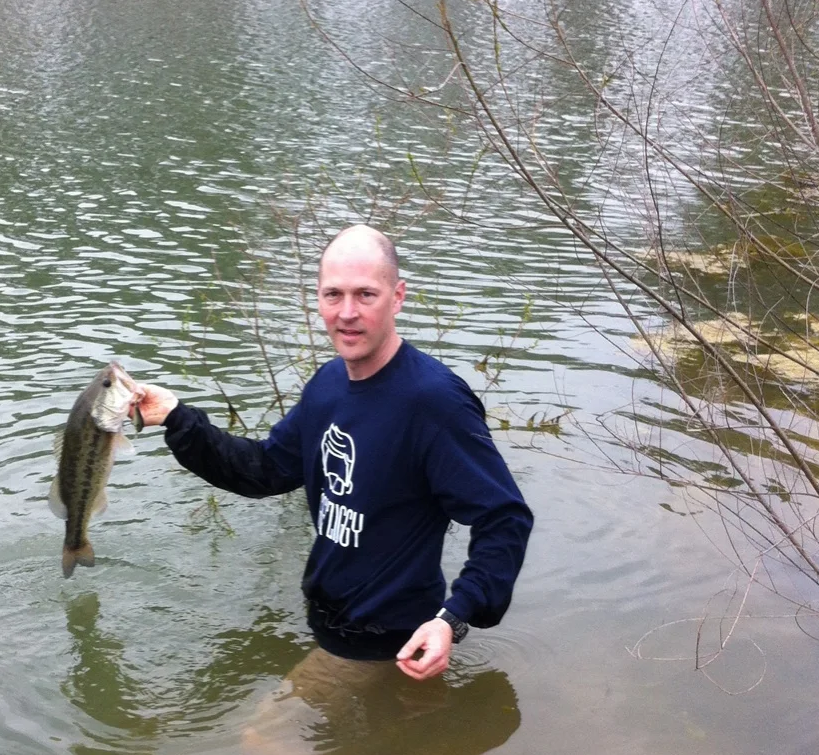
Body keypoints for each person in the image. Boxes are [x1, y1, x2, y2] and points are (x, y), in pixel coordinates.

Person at [134, 224, 533, 680]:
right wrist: (177, 418)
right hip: (328, 620)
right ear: (318, 300)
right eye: (333, 295)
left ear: (397, 297)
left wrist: (453, 618)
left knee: (261, 727)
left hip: (390, 639)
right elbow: (264, 469)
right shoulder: (327, 385)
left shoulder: (434, 402)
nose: (347, 313)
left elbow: (504, 517)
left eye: (365, 295)